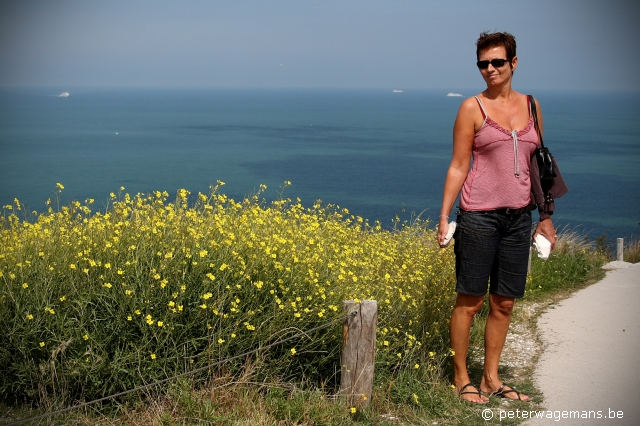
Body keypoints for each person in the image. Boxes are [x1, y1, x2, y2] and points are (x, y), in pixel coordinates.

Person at [437, 32, 556, 403]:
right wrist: (444, 216)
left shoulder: (533, 106)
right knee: (469, 301)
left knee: (504, 302)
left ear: (513, 63)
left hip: (519, 219)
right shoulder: (472, 108)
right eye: (483, 64)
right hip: (478, 218)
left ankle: (491, 378)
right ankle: (461, 378)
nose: (490, 69)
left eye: (497, 62)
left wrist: (545, 217)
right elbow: (459, 165)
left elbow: (540, 168)